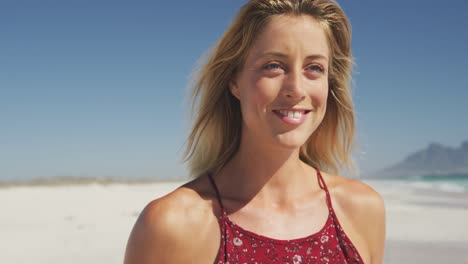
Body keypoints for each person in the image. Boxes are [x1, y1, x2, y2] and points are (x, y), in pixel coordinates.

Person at [124, 0, 385, 263]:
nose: (296, 88)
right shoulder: (172, 226)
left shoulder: (362, 210)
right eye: (273, 65)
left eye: (314, 68)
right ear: (234, 81)